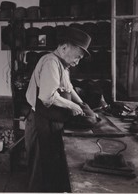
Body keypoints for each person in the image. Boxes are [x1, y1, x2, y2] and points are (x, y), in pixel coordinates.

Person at [24, 27, 99, 192]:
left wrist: (83, 106)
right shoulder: (51, 62)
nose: (77, 61)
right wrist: (72, 106)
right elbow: (47, 97)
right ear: (64, 47)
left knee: (51, 169)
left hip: (53, 121)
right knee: (40, 171)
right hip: (41, 122)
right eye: (77, 56)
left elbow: (69, 88)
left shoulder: (62, 65)